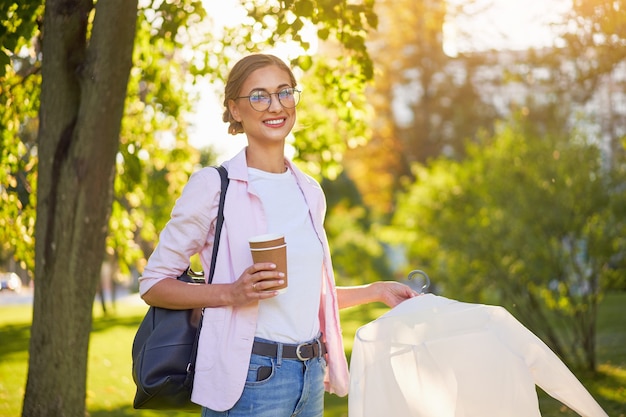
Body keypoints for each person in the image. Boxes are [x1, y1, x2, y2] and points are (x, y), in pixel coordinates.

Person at [139, 53, 418, 417]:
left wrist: (376, 291)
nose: (275, 105)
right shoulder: (213, 186)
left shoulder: (309, 191)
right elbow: (153, 284)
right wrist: (231, 292)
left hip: (310, 375)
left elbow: (302, 296)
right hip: (250, 379)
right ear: (235, 110)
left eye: (284, 92)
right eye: (258, 96)